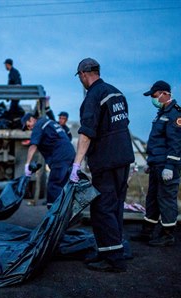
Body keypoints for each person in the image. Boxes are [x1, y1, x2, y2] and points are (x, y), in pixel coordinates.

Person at [70, 58, 134, 273]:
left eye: (79, 76)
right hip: (123, 158)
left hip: (106, 160)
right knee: (115, 206)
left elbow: (87, 133)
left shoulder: (93, 96)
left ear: (84, 73)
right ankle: (112, 249)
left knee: (102, 207)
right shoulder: (116, 93)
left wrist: (76, 165)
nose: (80, 80)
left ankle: (113, 259)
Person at [131, 80, 181, 246]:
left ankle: (167, 234)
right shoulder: (161, 114)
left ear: (165, 94)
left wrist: (170, 166)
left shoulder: (176, 114)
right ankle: (148, 231)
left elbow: (175, 143)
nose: (153, 99)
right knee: (153, 198)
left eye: (155, 96)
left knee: (166, 198)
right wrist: (150, 161)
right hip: (157, 164)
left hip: (167, 166)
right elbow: (157, 142)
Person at [22, 112, 75, 209]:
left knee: (54, 185)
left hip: (60, 156)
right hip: (69, 154)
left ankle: (54, 215)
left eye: (28, 126)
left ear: (31, 119)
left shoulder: (38, 124)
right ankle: (66, 213)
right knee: (64, 185)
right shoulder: (48, 122)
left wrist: (27, 164)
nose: (29, 128)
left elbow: (33, 145)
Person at [4, 58, 22, 127]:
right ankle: (14, 123)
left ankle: (13, 124)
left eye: (5, 65)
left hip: (15, 95)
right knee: (13, 110)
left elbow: (18, 84)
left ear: (8, 64)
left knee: (13, 110)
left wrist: (12, 94)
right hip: (13, 95)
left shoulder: (14, 72)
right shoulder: (11, 73)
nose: (5, 67)